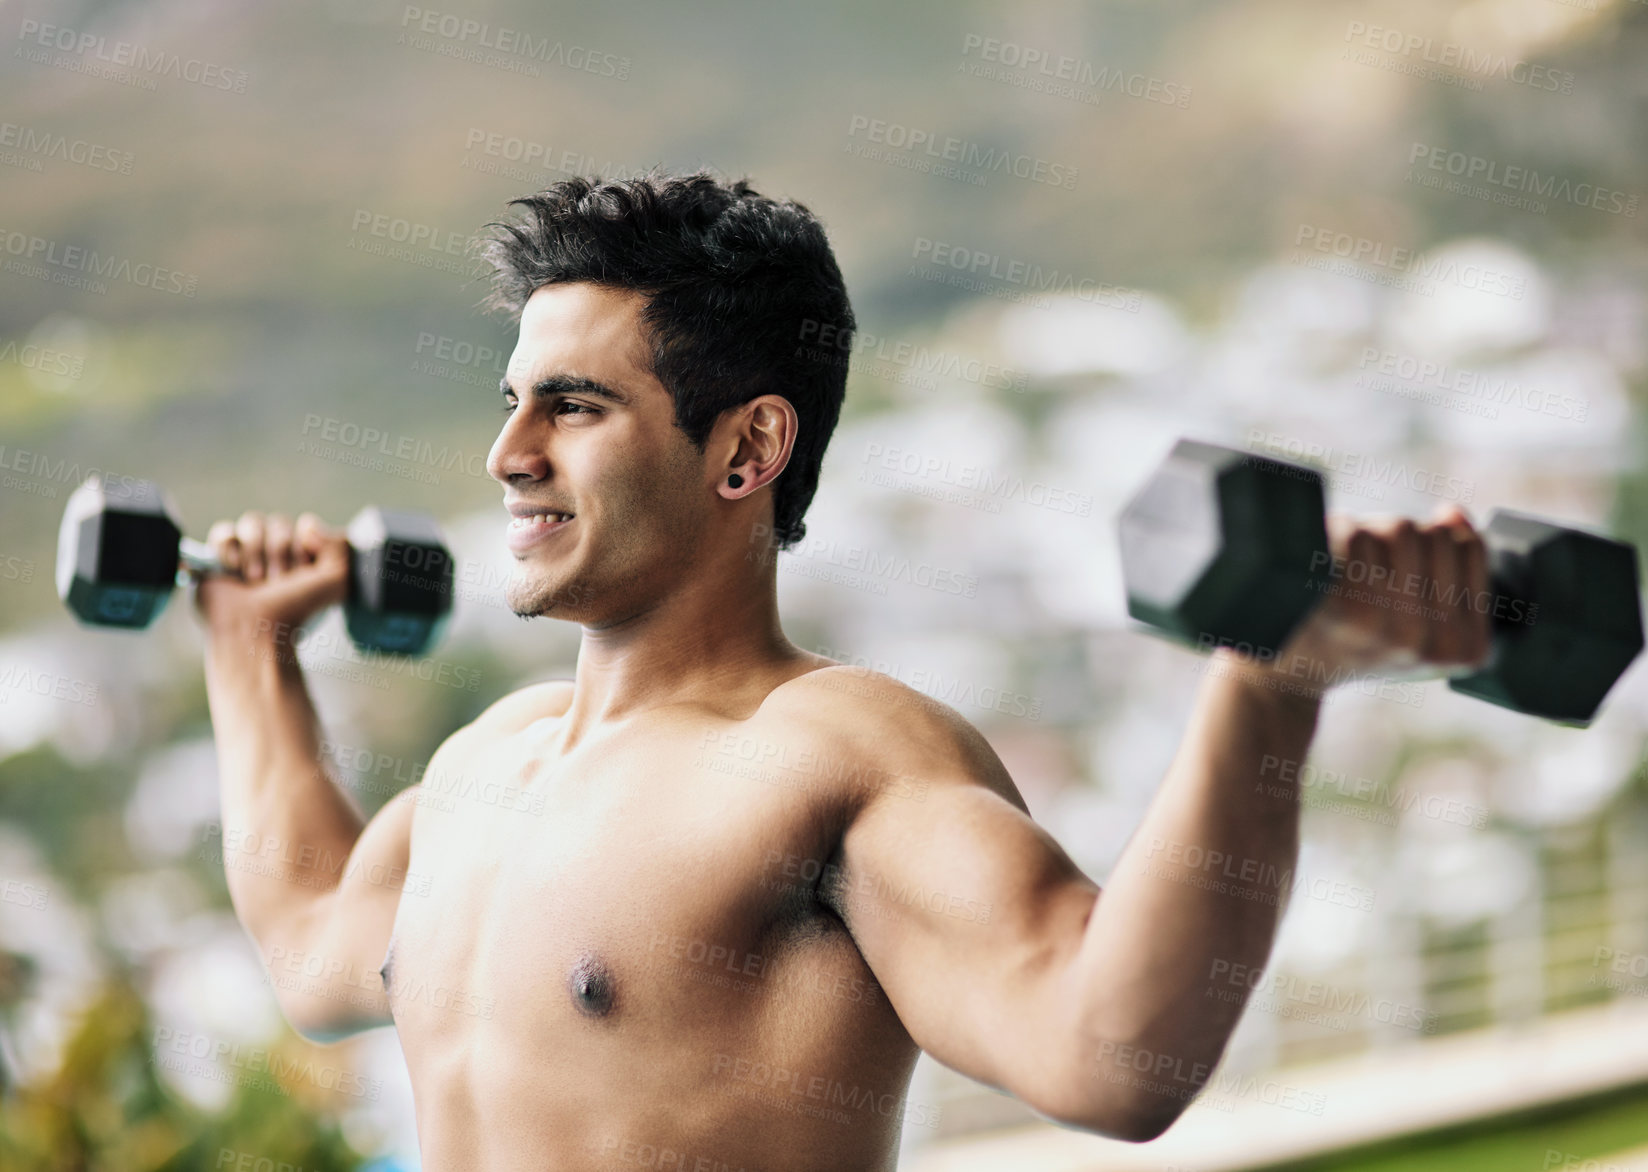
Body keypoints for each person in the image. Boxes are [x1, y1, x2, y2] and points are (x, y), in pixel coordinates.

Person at [194, 171, 1491, 1171]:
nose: (509, 453)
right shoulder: (483, 769)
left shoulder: (833, 757)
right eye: (513, 400)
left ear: (747, 449)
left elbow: (1115, 1052)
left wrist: (1269, 687)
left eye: (574, 407)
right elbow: (312, 943)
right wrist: (249, 650)